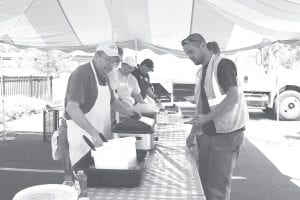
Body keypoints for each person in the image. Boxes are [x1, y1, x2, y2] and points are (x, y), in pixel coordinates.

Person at [181, 33, 248, 200]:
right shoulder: (202, 71)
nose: (189, 56)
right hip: (208, 133)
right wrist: (193, 132)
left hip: (227, 134)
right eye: (187, 53)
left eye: (191, 52)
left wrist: (207, 118)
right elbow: (202, 106)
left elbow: (234, 97)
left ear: (203, 45)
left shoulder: (222, 64)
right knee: (202, 179)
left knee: (217, 186)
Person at [59, 42, 139, 178]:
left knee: (100, 177)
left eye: (113, 62)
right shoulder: (82, 74)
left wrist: (130, 113)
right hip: (84, 139)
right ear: (96, 56)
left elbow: (112, 101)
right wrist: (94, 133)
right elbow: (72, 108)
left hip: (99, 139)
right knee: (81, 179)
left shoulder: (104, 76)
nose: (110, 65)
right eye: (107, 60)